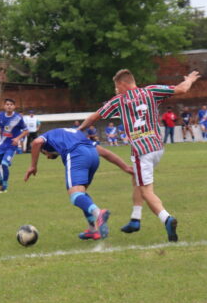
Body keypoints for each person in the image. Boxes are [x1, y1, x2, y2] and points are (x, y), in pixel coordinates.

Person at [78, 68, 200, 241]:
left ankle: (166, 218)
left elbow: (94, 117)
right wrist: (190, 80)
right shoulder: (151, 90)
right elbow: (181, 89)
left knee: (146, 190)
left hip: (142, 151)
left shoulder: (119, 100)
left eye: (117, 87)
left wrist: (78, 130)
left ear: (122, 84)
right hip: (157, 146)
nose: (116, 90)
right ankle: (135, 219)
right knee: (136, 177)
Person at [24, 127, 133, 240]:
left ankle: (98, 214)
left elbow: (36, 142)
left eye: (44, 153)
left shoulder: (47, 136)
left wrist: (33, 165)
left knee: (75, 195)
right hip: (92, 155)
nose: (46, 157)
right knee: (82, 194)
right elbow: (104, 152)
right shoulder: (73, 135)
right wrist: (125, 167)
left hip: (76, 154)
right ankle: (92, 229)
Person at [0, 98, 28, 193]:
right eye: (7, 104)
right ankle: (1, 180)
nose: (9, 106)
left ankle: (4, 185)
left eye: (11, 104)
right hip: (1, 145)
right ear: (4, 106)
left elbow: (26, 131)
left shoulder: (18, 118)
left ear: (14, 106)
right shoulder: (1, 115)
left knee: (4, 164)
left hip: (11, 146)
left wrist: (17, 139)